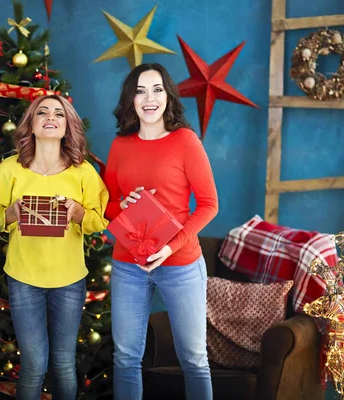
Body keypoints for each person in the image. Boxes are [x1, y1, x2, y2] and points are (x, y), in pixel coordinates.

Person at [104, 63, 219, 400]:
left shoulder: (185, 140)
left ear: (168, 96)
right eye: (140, 91)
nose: (149, 98)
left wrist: (170, 247)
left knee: (194, 360)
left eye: (156, 89)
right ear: (131, 99)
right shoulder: (120, 145)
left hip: (180, 264)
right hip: (128, 265)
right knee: (125, 358)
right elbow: (109, 204)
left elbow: (209, 204)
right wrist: (125, 204)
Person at [0, 94, 108, 400]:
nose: (51, 117)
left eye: (59, 114)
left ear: (67, 127)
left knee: (64, 364)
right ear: (32, 124)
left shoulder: (83, 172)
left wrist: (78, 212)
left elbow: (100, 219)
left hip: (69, 279)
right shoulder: (10, 169)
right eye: (43, 112)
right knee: (34, 365)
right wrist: (11, 212)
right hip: (24, 278)